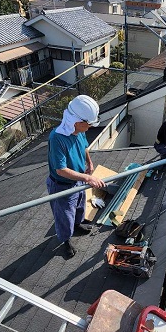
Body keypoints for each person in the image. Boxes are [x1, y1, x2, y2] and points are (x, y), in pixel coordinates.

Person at [47, 95, 106, 258]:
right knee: (64, 216)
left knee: (80, 206)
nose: (90, 127)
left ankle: (78, 225)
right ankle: (65, 241)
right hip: (62, 185)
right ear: (78, 122)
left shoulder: (78, 130)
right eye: (89, 124)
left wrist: (89, 162)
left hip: (78, 180)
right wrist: (88, 178)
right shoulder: (57, 138)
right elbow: (61, 170)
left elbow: (84, 147)